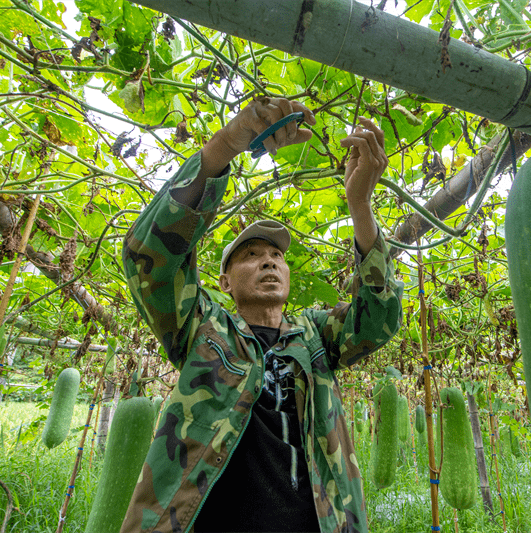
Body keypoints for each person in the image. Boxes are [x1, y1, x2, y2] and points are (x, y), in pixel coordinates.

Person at [120, 97, 404, 533]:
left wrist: (360, 206)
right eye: (251, 255)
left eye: (276, 256)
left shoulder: (315, 336)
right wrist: (228, 143)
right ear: (225, 283)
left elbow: (378, 317)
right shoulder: (203, 328)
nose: (269, 262)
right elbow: (149, 255)